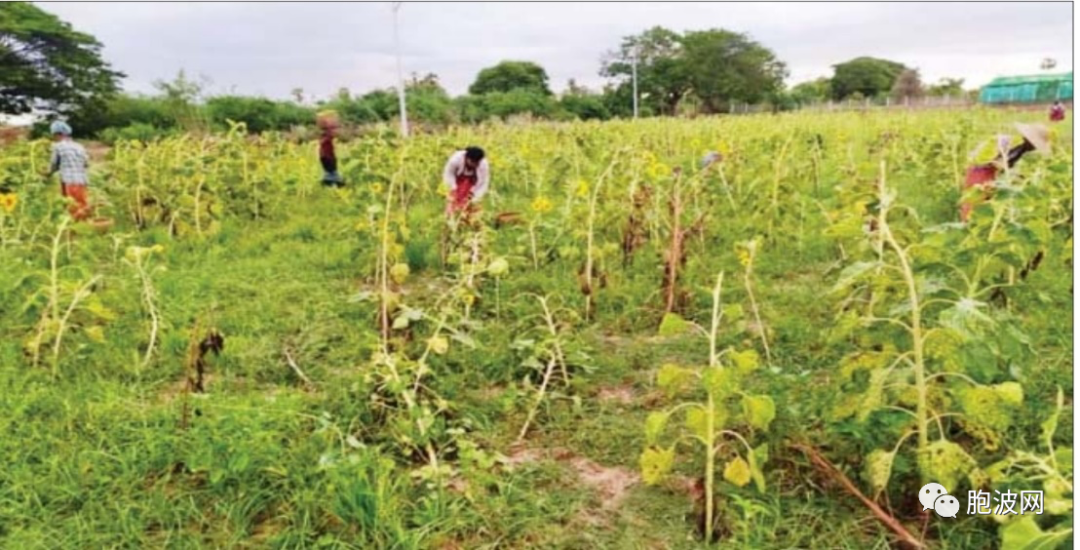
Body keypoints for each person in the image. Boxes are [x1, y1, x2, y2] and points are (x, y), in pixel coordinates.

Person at [960, 123, 1049, 222]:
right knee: (975, 199)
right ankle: (967, 224)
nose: (1034, 148)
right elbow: (991, 160)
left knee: (988, 201)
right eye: (1034, 144)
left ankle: (980, 224)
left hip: (993, 173)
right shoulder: (1005, 141)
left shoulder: (1022, 149)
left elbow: (1010, 167)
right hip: (980, 170)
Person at [44, 121, 91, 220]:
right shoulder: (79, 146)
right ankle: (83, 229)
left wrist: (47, 174)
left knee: (73, 207)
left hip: (70, 181)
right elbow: (86, 163)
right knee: (82, 204)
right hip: (82, 180)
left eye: (54, 135)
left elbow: (54, 164)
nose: (54, 137)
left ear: (58, 134)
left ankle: (77, 231)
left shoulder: (58, 146)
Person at [442, 146, 490, 218]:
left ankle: (470, 220)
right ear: (466, 158)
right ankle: (450, 218)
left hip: (472, 183)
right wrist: (453, 189)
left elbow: (483, 183)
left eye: (477, 163)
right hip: (456, 181)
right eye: (472, 162)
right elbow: (448, 175)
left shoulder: (483, 164)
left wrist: (475, 197)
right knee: (452, 203)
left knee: (472, 206)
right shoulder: (455, 160)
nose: (475, 165)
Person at [317, 111, 343, 187]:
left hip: (325, 156)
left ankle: (329, 180)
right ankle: (333, 182)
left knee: (329, 170)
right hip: (327, 156)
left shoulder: (324, 134)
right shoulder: (327, 134)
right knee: (332, 170)